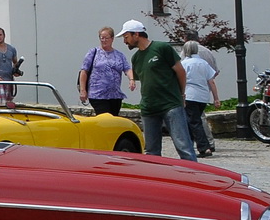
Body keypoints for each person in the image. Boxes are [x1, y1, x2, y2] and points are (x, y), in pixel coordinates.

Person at [122, 20, 195, 159]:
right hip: (149, 108)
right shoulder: (136, 58)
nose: (125, 41)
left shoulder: (161, 48)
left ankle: (195, 178)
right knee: (151, 151)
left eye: (126, 37)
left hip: (170, 104)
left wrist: (181, 94)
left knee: (183, 146)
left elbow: (180, 71)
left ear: (136, 34)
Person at [78, 27, 131, 117]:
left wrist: (132, 79)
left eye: (106, 38)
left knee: (113, 120)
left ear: (112, 39)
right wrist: (83, 90)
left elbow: (127, 68)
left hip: (115, 95)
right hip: (97, 95)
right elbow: (84, 71)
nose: (104, 40)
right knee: (105, 118)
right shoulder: (93, 52)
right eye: (102, 38)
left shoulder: (119, 55)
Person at [180, 40, 220, 158]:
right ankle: (190, 146)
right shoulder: (203, 63)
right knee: (192, 121)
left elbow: (180, 80)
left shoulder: (184, 64)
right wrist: (216, 98)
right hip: (203, 96)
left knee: (194, 122)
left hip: (189, 95)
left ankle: (204, 147)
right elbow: (211, 81)